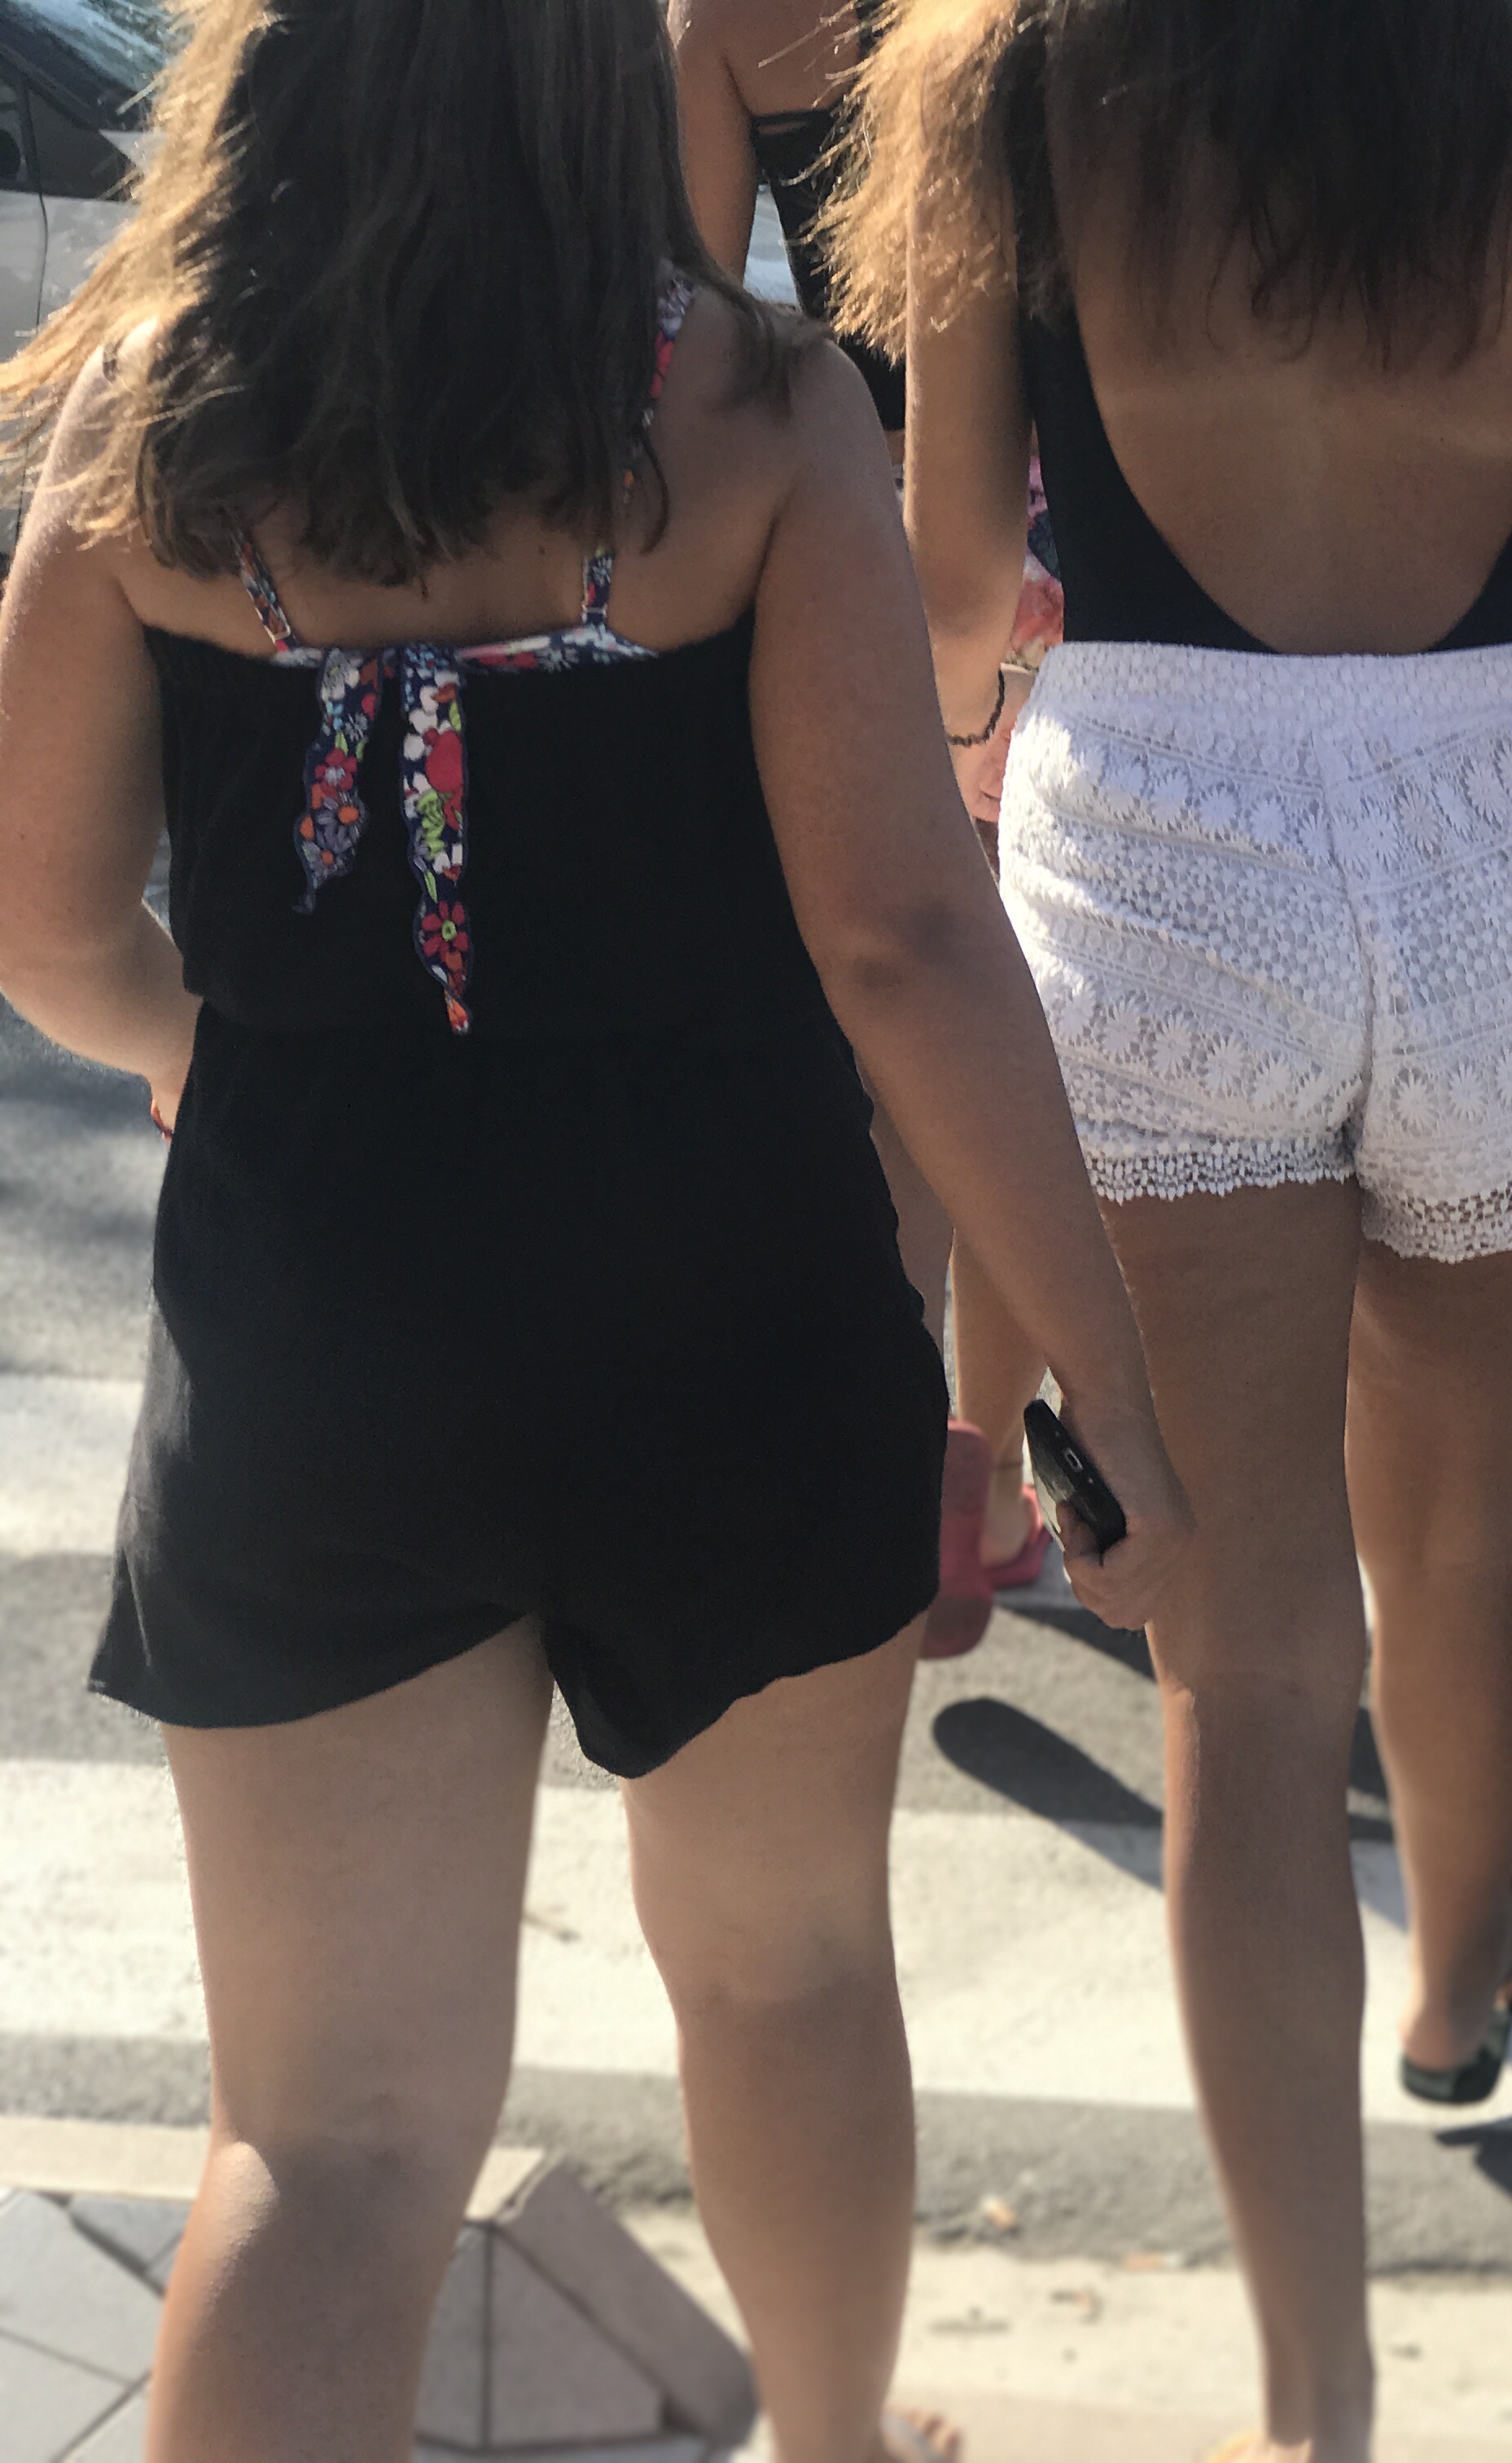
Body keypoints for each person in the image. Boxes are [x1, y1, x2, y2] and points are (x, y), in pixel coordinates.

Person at [0, 7, 1193, 2460]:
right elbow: (904, 942)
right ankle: (834, 2446)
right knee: (783, 1976)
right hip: (730, 1296)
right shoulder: (745, 412)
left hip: (315, 1323)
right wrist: (1106, 1386)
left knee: (326, 2140)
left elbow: (43, 925)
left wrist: (223, 1063)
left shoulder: (153, 412)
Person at [835, 5, 1512, 2456]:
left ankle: (1318, 2396)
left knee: (1241, 1676)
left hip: (1158, 844)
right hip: (1495, 839)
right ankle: (1456, 1982)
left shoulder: (1012, 82)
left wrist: (961, 775)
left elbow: (950, 580)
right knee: (1457, 1537)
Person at [673, 0, 1058, 1654]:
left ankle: (904, 1465)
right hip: (1088, 546)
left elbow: (684, 333)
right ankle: (1008, 1475)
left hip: (862, 540)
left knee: (901, 1032)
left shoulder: (726, 21)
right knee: (1036, 1038)